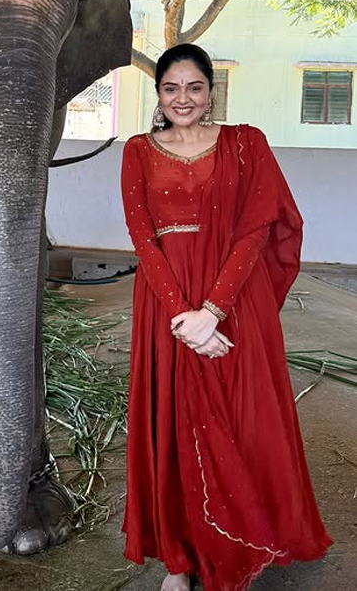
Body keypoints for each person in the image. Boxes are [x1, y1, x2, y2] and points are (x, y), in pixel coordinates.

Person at [120, 43, 331, 591]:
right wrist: (183, 317)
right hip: (166, 304)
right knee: (175, 420)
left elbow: (257, 228)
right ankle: (181, 558)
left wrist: (212, 312)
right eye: (171, 88)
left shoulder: (246, 143)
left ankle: (246, 541)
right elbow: (143, 241)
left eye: (194, 87)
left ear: (211, 91)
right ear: (159, 95)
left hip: (235, 299)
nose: (182, 98)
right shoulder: (138, 150)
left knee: (246, 418)